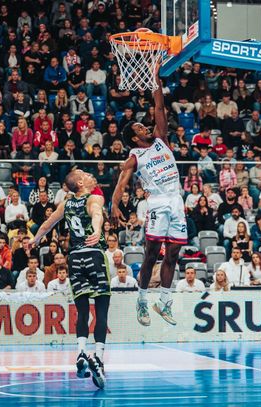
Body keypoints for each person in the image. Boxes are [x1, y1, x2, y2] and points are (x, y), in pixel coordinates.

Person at [111, 67, 187, 327]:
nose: (145, 127)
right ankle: (142, 299)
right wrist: (114, 203)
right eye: (140, 127)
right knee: (152, 254)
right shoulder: (135, 156)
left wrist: (156, 81)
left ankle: (164, 302)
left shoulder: (161, 139)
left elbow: (160, 108)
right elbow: (122, 181)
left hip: (176, 200)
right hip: (156, 202)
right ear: (134, 137)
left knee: (173, 253)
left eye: (144, 125)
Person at [32, 169, 109, 389]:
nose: (89, 175)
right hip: (94, 254)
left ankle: (81, 353)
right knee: (101, 310)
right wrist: (96, 230)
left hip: (74, 259)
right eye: (85, 173)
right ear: (81, 182)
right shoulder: (94, 198)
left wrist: (34, 240)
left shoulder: (65, 204)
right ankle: (98, 358)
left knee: (82, 311)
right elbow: (97, 214)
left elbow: (46, 225)